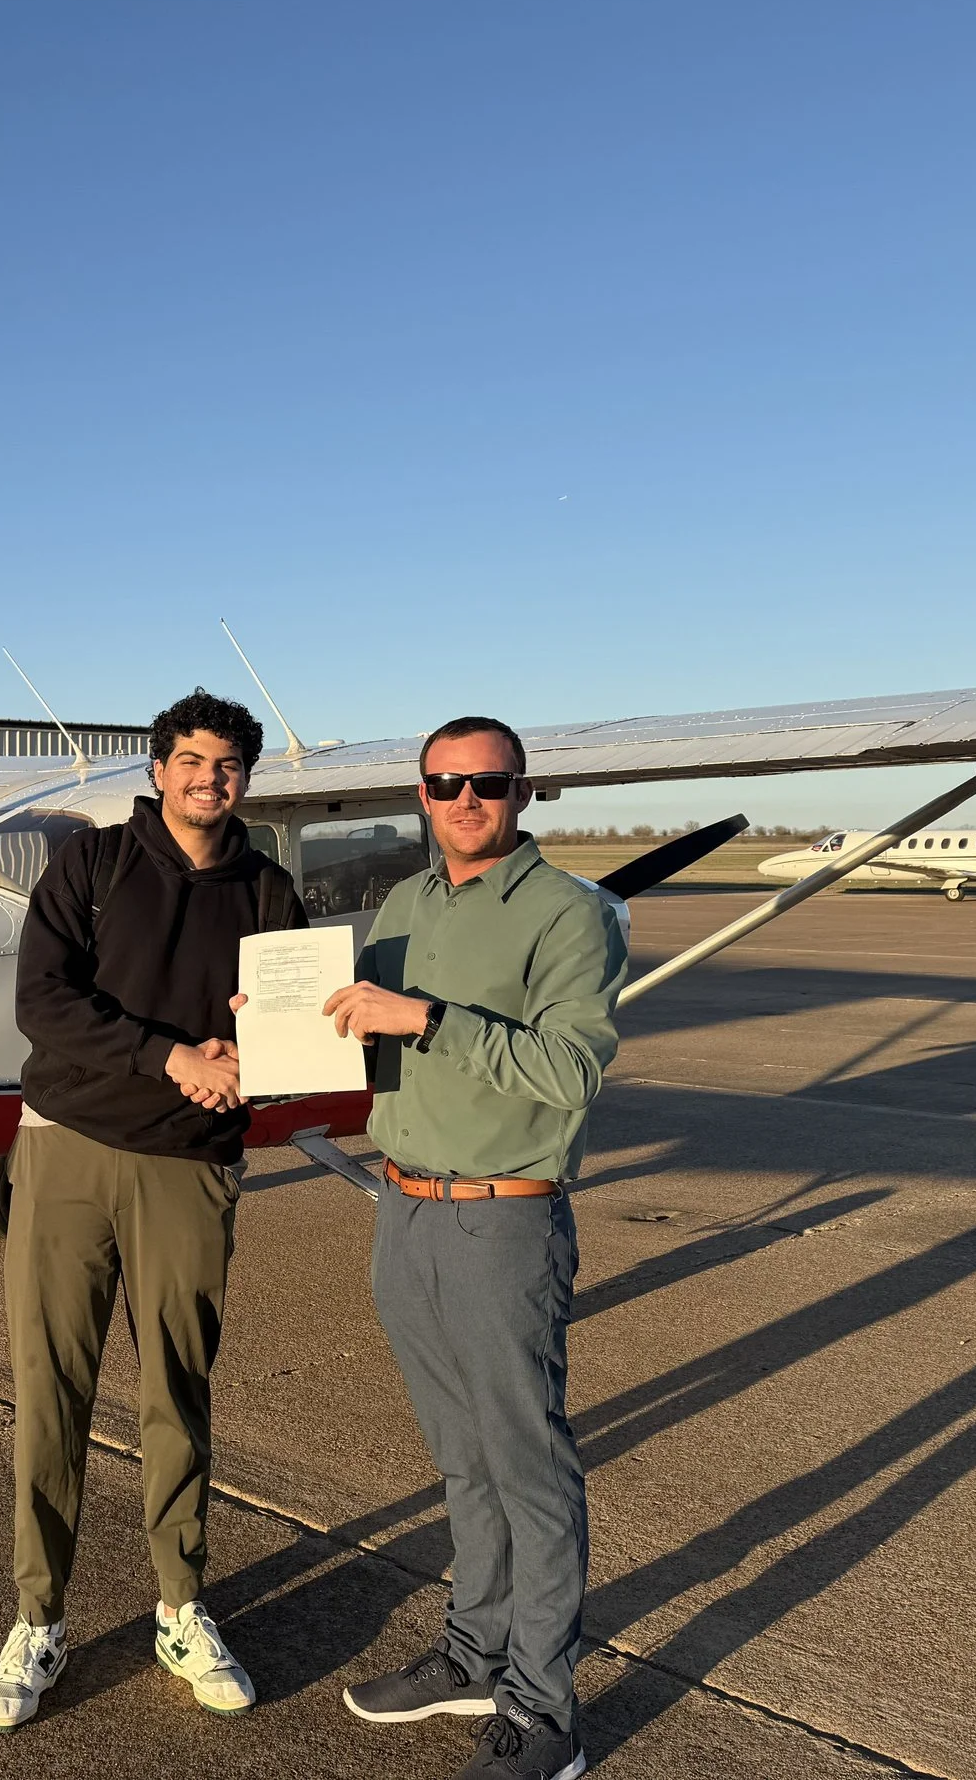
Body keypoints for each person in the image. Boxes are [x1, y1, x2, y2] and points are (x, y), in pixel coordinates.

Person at [0, 689, 308, 1734]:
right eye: (194, 761)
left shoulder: (268, 890)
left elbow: (289, 1038)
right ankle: (39, 1618)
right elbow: (43, 1002)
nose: (212, 779)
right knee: (51, 1389)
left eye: (230, 765)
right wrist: (170, 1055)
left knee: (177, 1389)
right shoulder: (91, 865)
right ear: (158, 768)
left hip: (190, 1166)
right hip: (67, 1146)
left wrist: (256, 1068)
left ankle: (180, 1605)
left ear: (244, 780)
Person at [326, 715, 622, 1780]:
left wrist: (425, 1019)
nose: (464, 800)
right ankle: (473, 1653)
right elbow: (360, 1023)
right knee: (461, 1460)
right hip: (399, 1203)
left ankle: (546, 1713)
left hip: (503, 1216)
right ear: (420, 793)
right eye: (443, 783)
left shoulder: (569, 914)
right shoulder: (404, 905)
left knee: (524, 1463)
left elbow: (570, 1072)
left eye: (486, 783)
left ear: (522, 792)